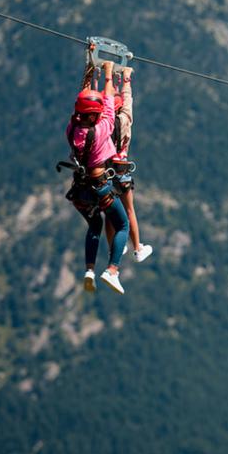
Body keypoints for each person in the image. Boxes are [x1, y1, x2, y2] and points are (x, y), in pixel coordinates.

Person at [64, 60, 129, 294]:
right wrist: (109, 75)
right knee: (122, 225)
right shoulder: (101, 130)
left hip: (81, 189)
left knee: (95, 224)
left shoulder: (72, 129)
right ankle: (112, 270)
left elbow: (83, 106)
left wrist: (90, 73)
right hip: (101, 186)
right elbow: (109, 105)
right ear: (94, 116)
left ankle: (89, 269)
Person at [104, 67, 153, 263]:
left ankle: (113, 247)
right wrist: (125, 80)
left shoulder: (103, 123)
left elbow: (104, 102)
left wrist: (103, 78)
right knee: (129, 210)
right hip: (122, 170)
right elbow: (128, 101)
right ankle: (138, 248)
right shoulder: (125, 120)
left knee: (109, 211)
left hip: (105, 171)